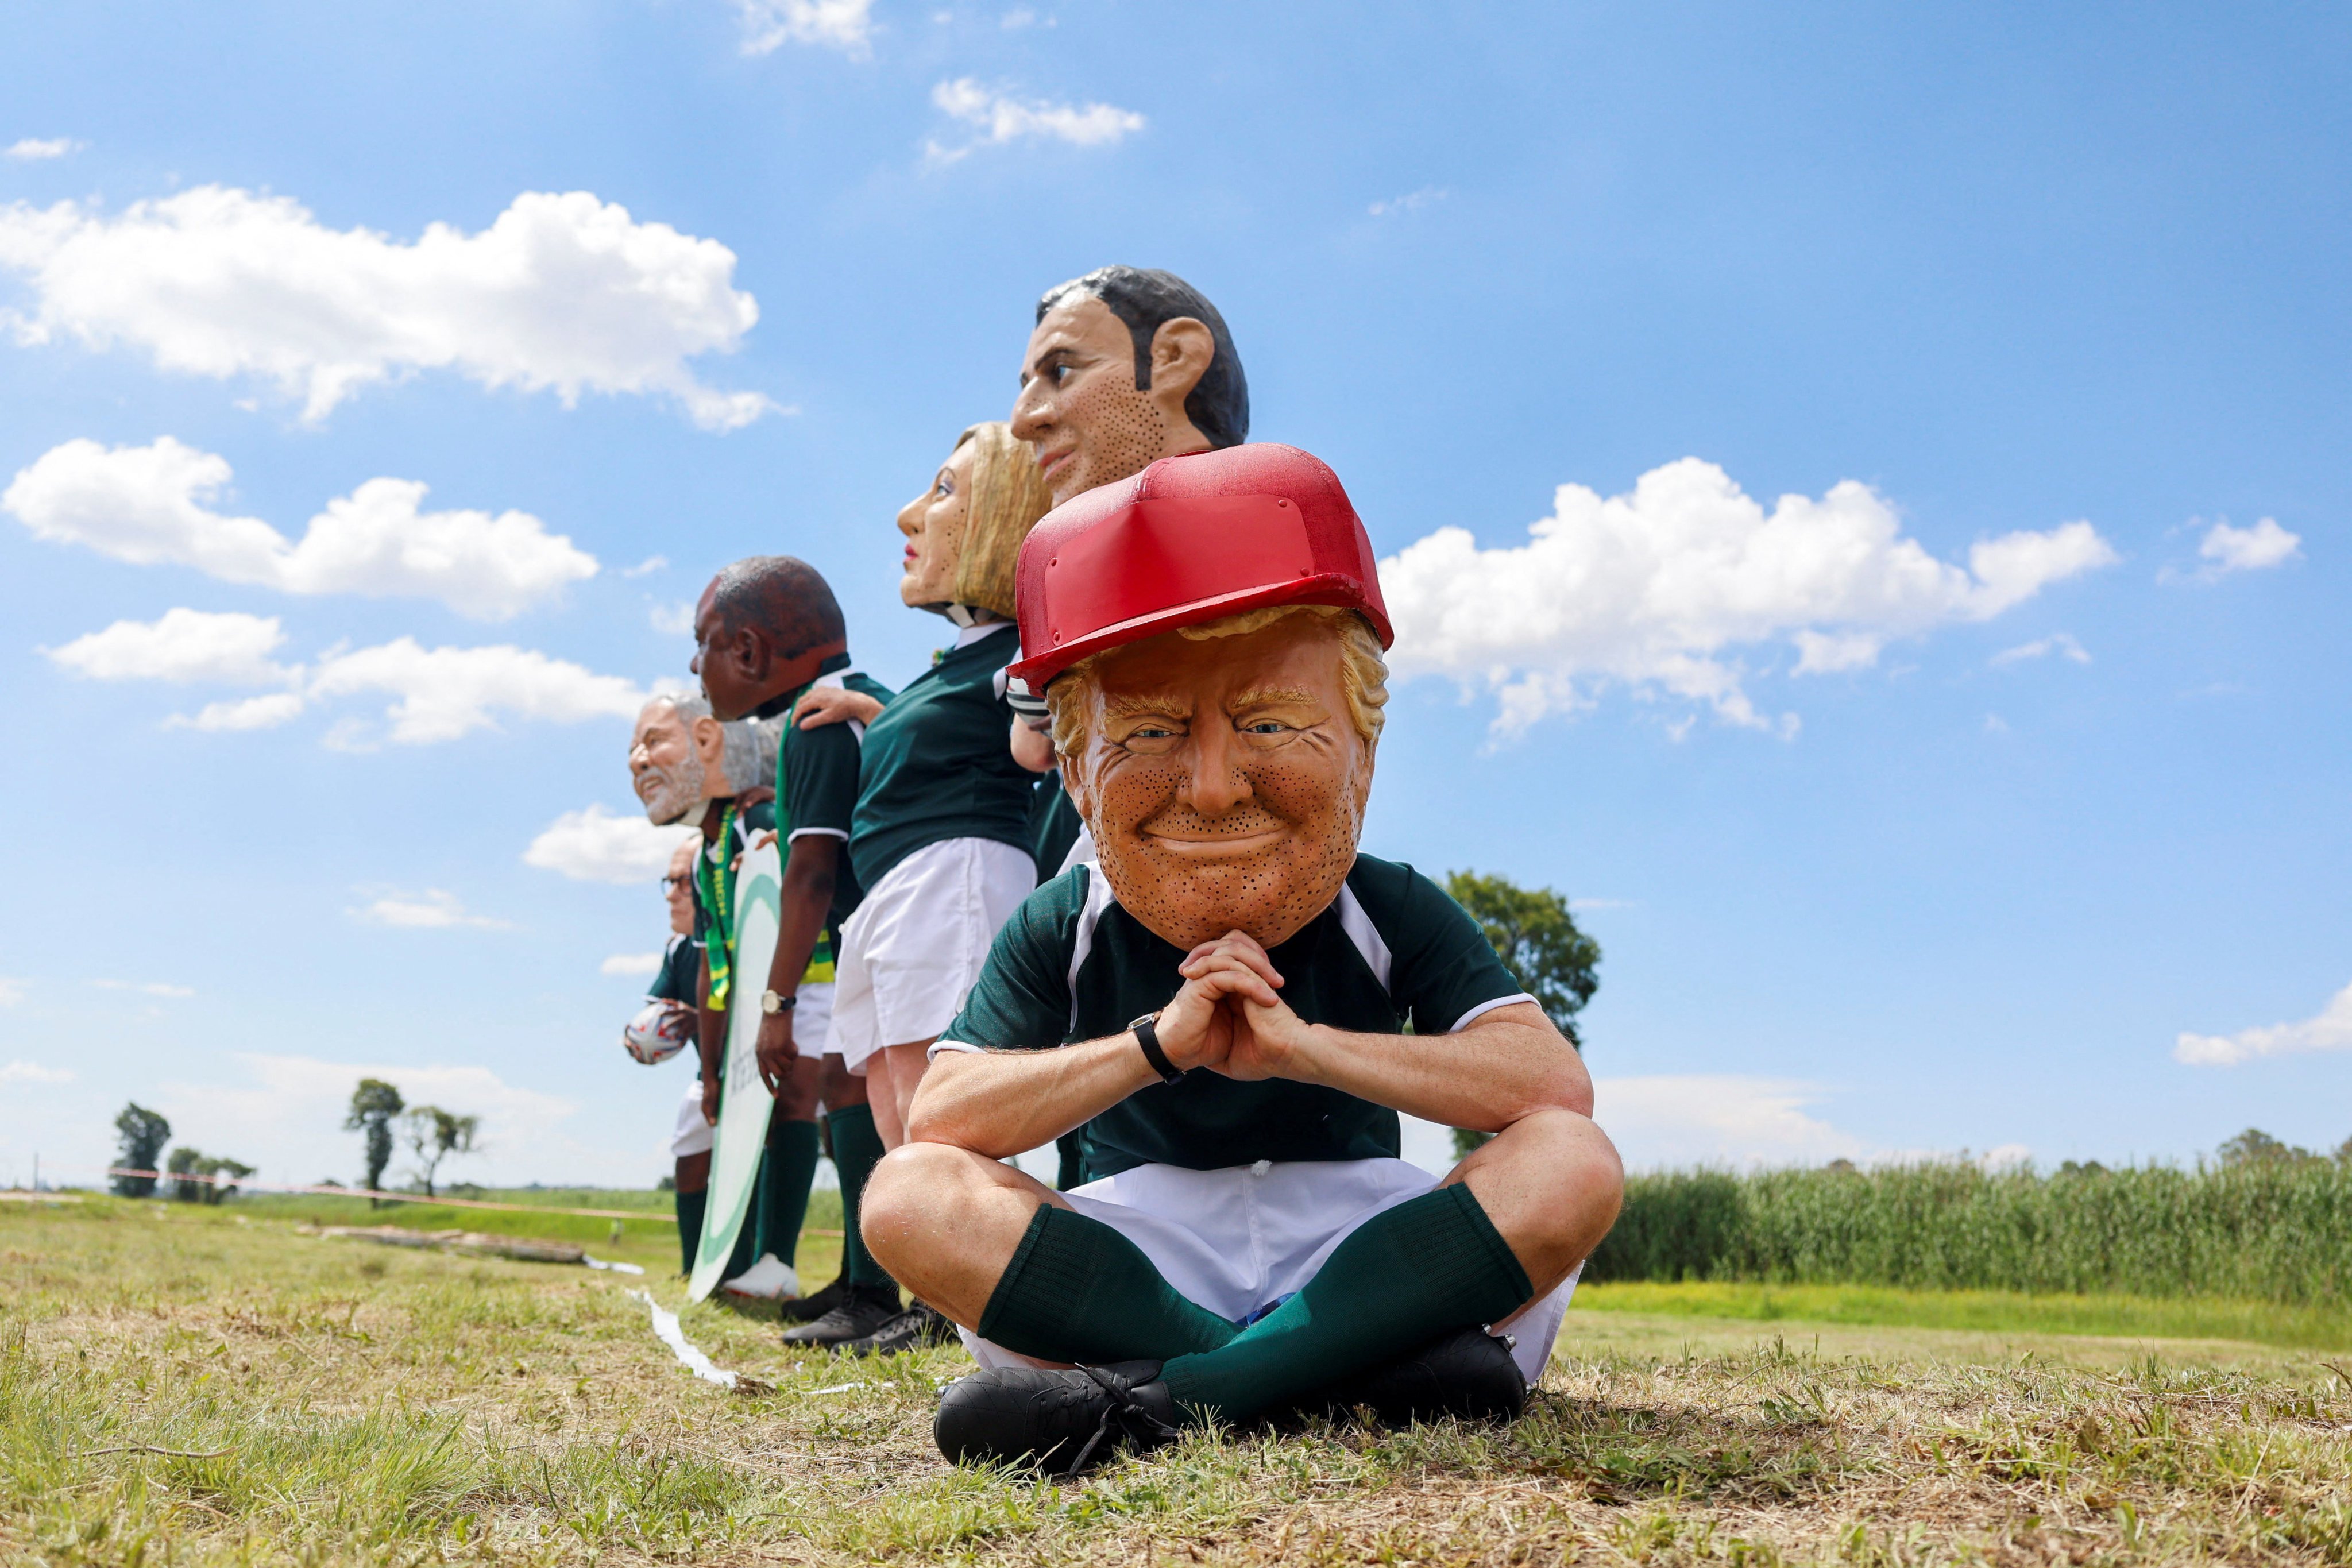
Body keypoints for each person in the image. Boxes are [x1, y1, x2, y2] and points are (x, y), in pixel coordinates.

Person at [858, 444, 1625, 1473]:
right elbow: (942, 1120)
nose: (1213, 787)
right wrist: (1155, 1047)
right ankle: (1346, 1381)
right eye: (1152, 732)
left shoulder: (1381, 901)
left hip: (1365, 1245)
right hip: (1138, 1254)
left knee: (1571, 1163)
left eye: (1269, 722)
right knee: (908, 1195)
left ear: (1364, 744)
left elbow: (1548, 1087)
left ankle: (1173, 1399)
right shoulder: (1066, 916)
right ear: (1078, 770)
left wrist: (1308, 1052)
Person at [785, 421, 1056, 1354]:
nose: (911, 512)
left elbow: (1035, 738)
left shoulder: (1025, 648)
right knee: (900, 1096)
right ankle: (939, 1288)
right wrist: (875, 708)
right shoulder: (959, 662)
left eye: (943, 491)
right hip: (904, 889)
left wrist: (1043, 696)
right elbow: (937, 723)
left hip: (957, 875)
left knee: (945, 1103)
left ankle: (981, 1286)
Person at [689, 555, 899, 1335]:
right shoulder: (868, 698)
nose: (695, 667)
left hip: (884, 929)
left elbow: (810, 875)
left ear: (746, 650)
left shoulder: (813, 722)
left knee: (859, 1087)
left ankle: (877, 1291)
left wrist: (774, 1006)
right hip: (890, 929)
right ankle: (859, 1277)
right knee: (849, 1085)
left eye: (703, 645)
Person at [628, 691, 785, 1293]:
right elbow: (694, 990)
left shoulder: (753, 826)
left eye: (653, 742)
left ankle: (772, 1260)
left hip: (782, 1017)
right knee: (694, 1141)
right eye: (665, 881)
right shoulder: (682, 937)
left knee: (795, 1121)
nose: (673, 891)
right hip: (719, 1059)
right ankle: (703, 1262)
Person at [622, 837, 709, 1277]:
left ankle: (753, 1262)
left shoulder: (739, 939)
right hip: (707, 1073)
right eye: (668, 882)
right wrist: (642, 1040)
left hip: (761, 1074)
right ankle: (693, 1266)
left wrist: (703, 1018)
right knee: (690, 1156)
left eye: (681, 882)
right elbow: (659, 1015)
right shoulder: (678, 949)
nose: (671, 894)